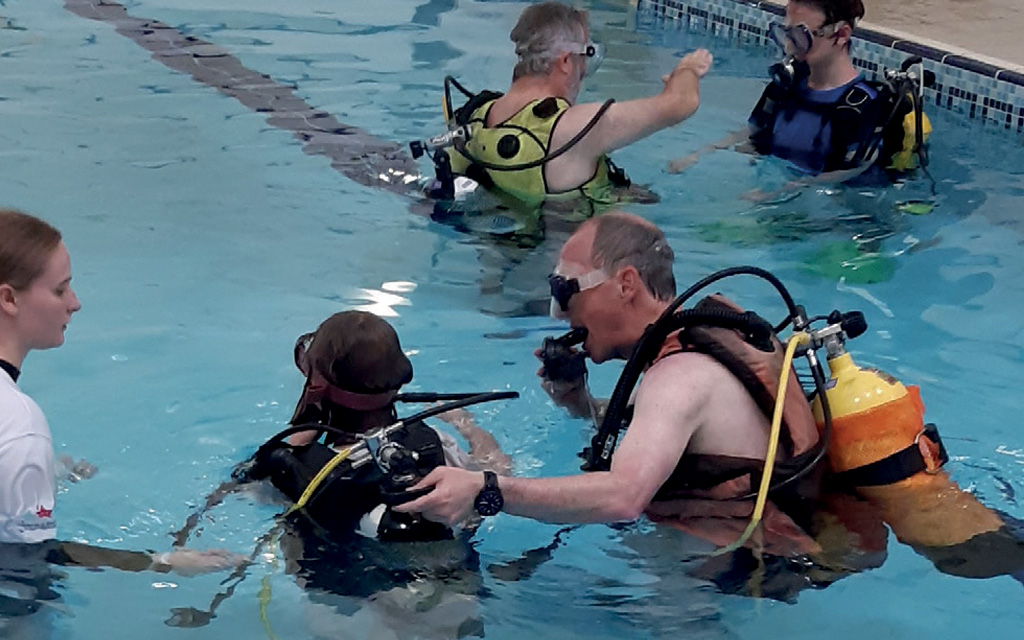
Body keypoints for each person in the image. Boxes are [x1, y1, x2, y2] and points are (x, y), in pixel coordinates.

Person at [396, 212, 824, 556]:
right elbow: (670, 439)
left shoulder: (679, 377)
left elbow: (624, 496)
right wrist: (580, 405)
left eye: (566, 290)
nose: (560, 314)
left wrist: (487, 490)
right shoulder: (683, 357)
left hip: (732, 581)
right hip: (739, 562)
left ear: (626, 284)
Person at [170, 310, 513, 636]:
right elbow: (498, 470)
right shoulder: (435, 444)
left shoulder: (292, 469)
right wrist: (467, 425)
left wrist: (295, 439)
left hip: (343, 612)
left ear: (316, 384)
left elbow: (221, 501)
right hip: (451, 599)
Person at [0, 209, 242, 618]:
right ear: (8, 298)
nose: (75, 304)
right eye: (60, 291)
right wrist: (162, 562)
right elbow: (27, 564)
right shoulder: (20, 425)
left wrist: (46, 471)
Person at [429, 1, 712, 209]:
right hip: (563, 271)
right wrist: (688, 69)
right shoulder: (576, 129)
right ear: (566, 62)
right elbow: (681, 103)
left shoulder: (474, 116)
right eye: (586, 56)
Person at [668, 0, 930, 184]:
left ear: (841, 35)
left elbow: (847, 174)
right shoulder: (787, 86)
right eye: (786, 34)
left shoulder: (866, 107)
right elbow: (753, 133)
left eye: (802, 36)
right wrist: (701, 154)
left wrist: (779, 194)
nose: (791, 47)